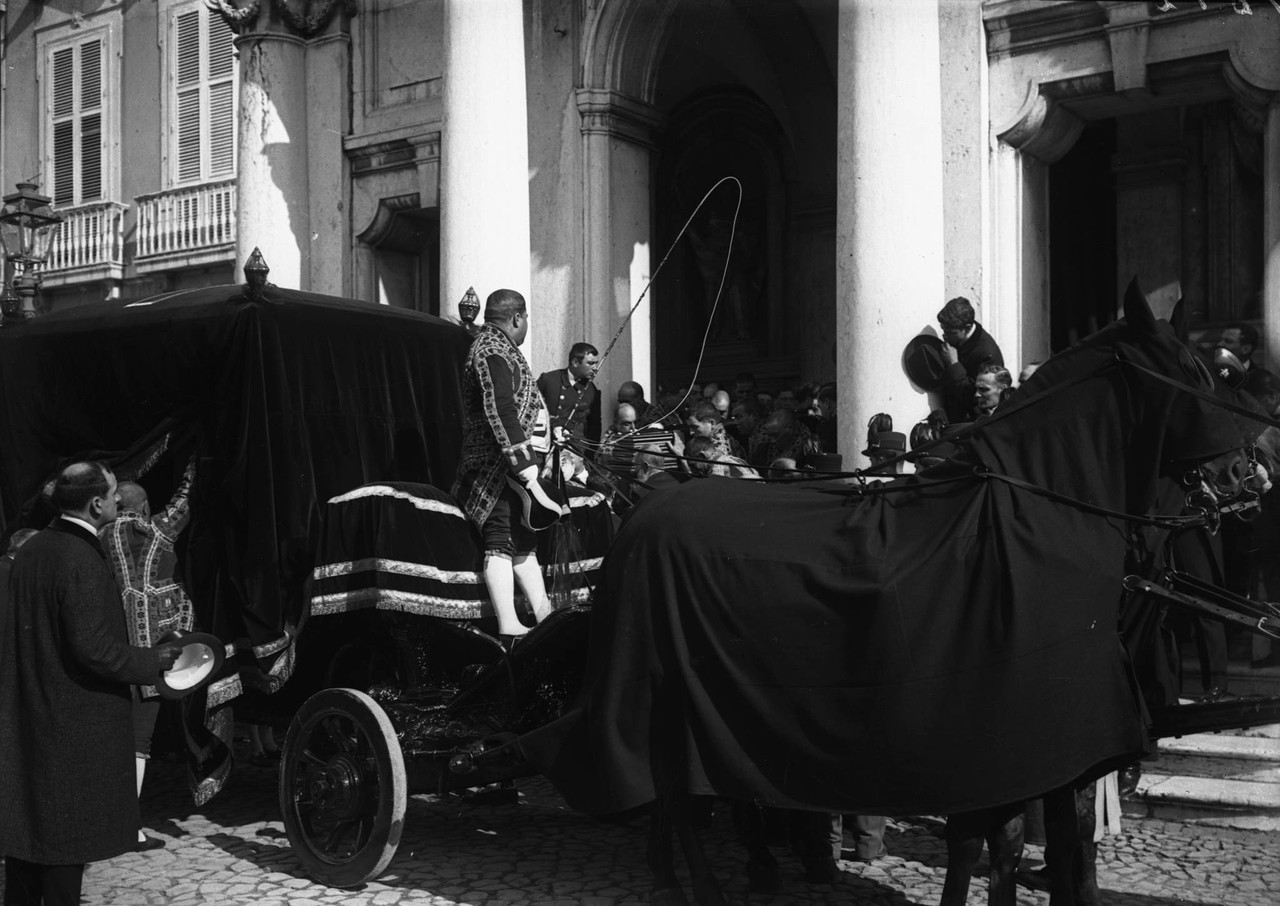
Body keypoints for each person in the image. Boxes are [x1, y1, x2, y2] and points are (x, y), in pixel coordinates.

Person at [0, 462, 183, 905]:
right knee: (66, 846)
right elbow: (94, 649)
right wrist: (152, 660)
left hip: (37, 713)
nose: (119, 501)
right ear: (97, 503)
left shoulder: (33, 548)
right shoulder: (77, 556)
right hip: (70, 724)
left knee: (30, 844)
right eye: (115, 493)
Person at [100, 460, 197, 850]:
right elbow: (186, 500)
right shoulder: (153, 530)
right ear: (142, 508)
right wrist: (193, 461)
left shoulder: (100, 536)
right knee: (140, 740)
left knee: (119, 737)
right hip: (157, 649)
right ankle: (127, 827)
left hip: (114, 645)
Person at [452, 289, 554, 643]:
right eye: (526, 321)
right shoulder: (492, 350)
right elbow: (501, 410)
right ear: (517, 318)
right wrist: (526, 467)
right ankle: (508, 623)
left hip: (513, 468)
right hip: (496, 468)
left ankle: (544, 614)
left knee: (524, 541)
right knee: (501, 540)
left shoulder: (500, 348)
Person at [937, 296, 1004, 423]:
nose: (945, 336)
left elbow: (977, 398)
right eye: (943, 330)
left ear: (967, 328)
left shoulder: (987, 355)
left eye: (951, 332)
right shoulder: (960, 339)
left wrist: (954, 365)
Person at [537, 341, 601, 444]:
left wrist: (589, 457)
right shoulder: (548, 380)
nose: (595, 368)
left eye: (596, 363)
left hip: (574, 451)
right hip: (546, 447)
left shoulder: (591, 390)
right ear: (575, 362)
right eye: (590, 363)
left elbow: (594, 428)